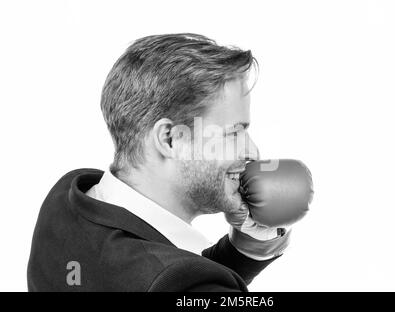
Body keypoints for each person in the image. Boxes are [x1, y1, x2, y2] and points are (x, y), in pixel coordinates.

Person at [27, 33, 291, 291]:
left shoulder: (66, 199)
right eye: (234, 132)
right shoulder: (181, 281)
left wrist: (246, 248)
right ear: (169, 140)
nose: (253, 152)